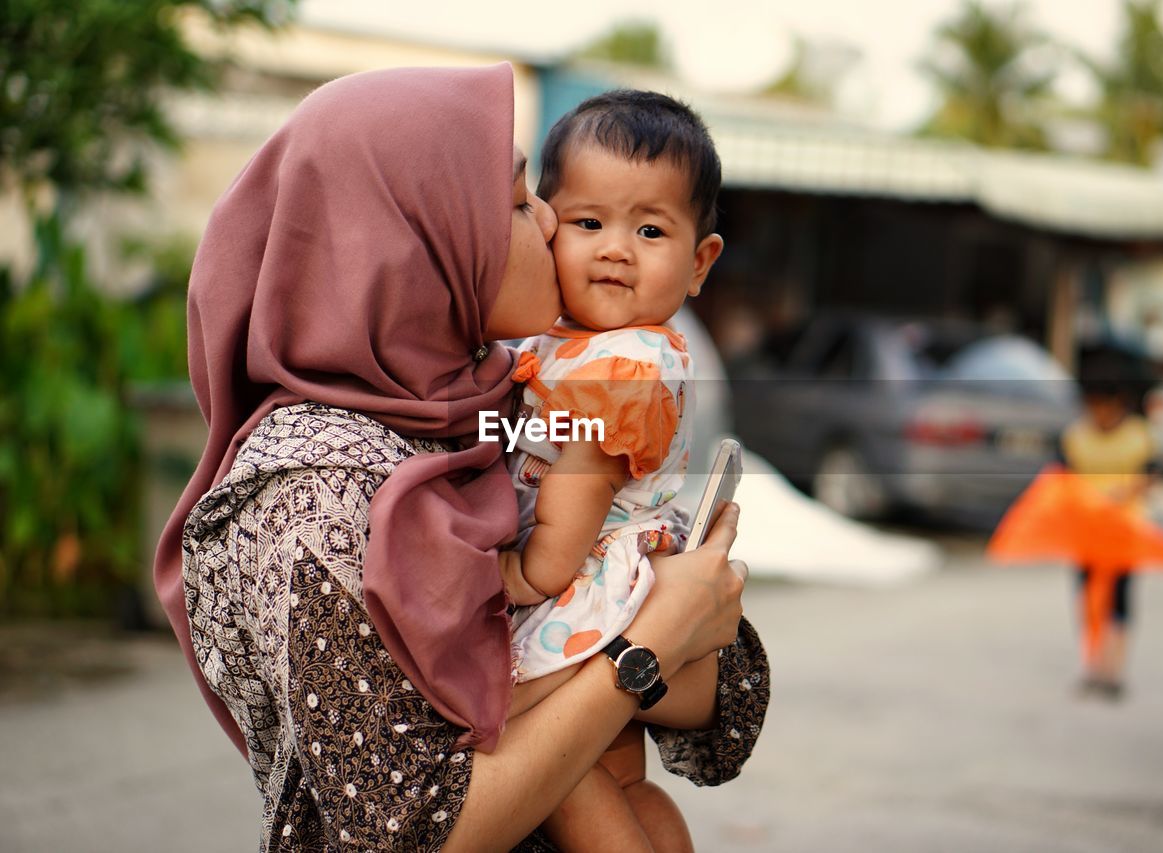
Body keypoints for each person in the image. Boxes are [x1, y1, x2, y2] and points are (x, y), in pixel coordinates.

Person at [152, 64, 769, 851]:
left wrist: (679, 630)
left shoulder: (495, 397)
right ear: (411, 243)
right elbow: (411, 831)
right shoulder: (306, 499)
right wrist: (638, 655)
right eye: (518, 202)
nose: (552, 224)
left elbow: (728, 685)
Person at [494, 91, 726, 851]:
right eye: (589, 223)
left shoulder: (625, 358)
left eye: (650, 229)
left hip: (578, 581)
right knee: (623, 774)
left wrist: (527, 573)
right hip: (617, 584)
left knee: (553, 761)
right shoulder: (562, 341)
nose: (616, 248)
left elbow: (581, 481)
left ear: (699, 262)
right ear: (547, 224)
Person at [1060, 378, 1156, 700]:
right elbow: (1064, 477)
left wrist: (1123, 493)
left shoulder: (1138, 436)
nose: (1097, 414)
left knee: (1119, 602)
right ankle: (1091, 667)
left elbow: (1151, 475)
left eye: (1103, 406)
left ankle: (1114, 671)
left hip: (1124, 530)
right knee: (1088, 600)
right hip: (1087, 530)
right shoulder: (1077, 436)